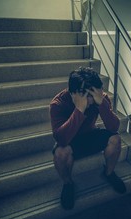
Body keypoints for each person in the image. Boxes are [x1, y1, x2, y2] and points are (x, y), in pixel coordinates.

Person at [50, 67, 126, 210]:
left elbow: (113, 127)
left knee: (115, 139)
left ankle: (109, 173)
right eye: (89, 96)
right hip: (71, 140)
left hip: (90, 134)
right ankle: (68, 184)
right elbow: (61, 139)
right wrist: (79, 109)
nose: (92, 100)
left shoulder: (99, 98)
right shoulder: (58, 103)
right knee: (60, 153)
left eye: (96, 94)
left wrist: (102, 103)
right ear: (74, 93)